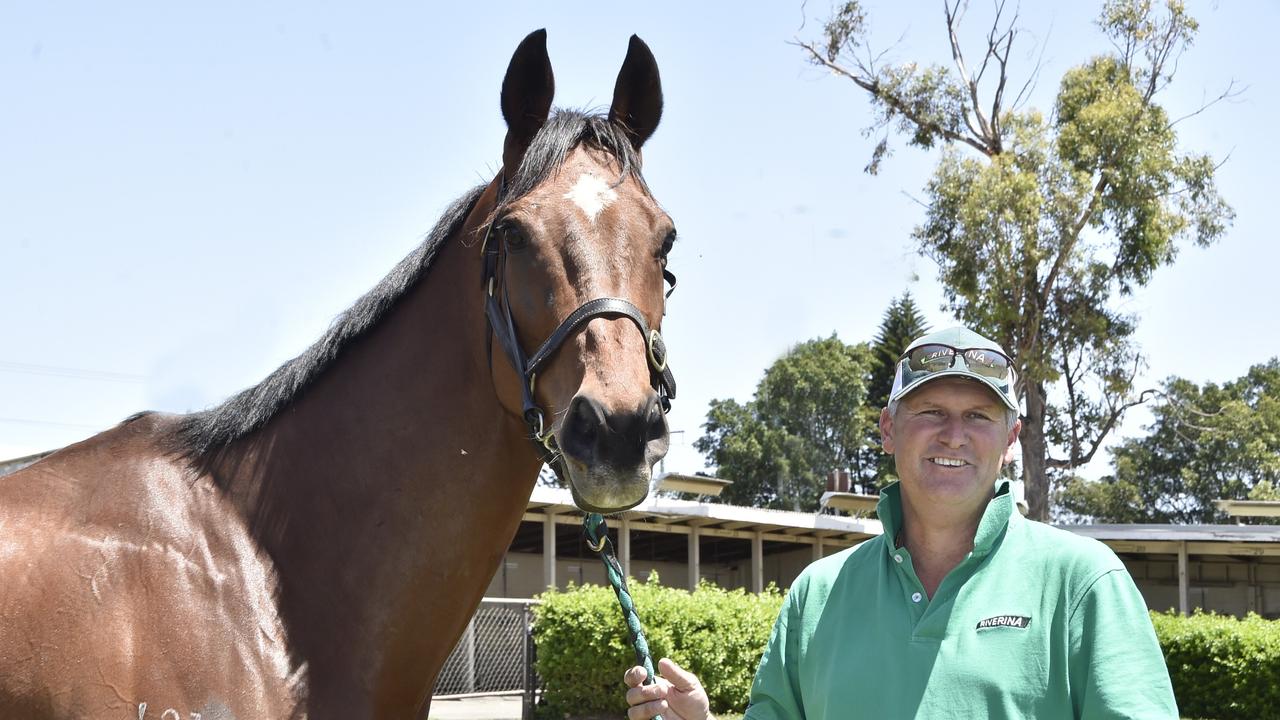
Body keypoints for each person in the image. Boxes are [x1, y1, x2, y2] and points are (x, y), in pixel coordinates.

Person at [624, 327, 1178, 719]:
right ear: (889, 430)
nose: (954, 434)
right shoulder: (816, 596)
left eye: (979, 416)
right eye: (931, 411)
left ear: (1011, 442)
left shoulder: (1084, 583)